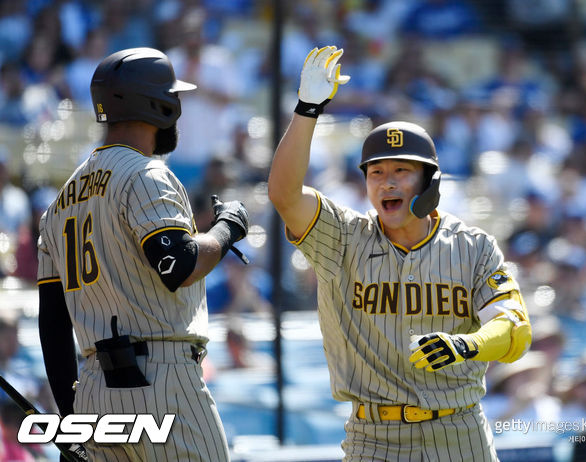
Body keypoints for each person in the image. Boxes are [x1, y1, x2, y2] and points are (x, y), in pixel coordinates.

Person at [268, 45, 532, 461]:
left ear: (429, 182)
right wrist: (306, 110)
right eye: (376, 172)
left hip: (458, 431)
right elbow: (283, 195)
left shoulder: (473, 246)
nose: (386, 183)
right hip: (374, 436)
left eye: (401, 171)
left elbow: (515, 330)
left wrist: (468, 346)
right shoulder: (344, 238)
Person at [37, 47, 249, 461]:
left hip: (96, 394)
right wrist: (227, 230)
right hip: (164, 381)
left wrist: (70, 423)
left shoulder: (60, 202)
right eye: (176, 98)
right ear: (159, 104)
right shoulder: (146, 174)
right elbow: (179, 265)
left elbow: (53, 324)